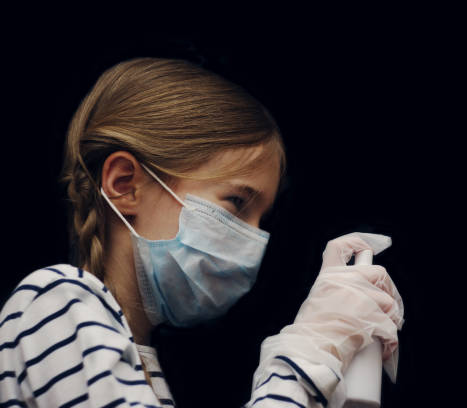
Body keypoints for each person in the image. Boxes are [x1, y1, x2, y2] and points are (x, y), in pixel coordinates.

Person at [0, 57, 403, 407]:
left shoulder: (138, 357)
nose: (254, 243)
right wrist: (308, 354)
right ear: (125, 184)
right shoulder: (56, 301)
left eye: (262, 218)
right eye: (237, 203)